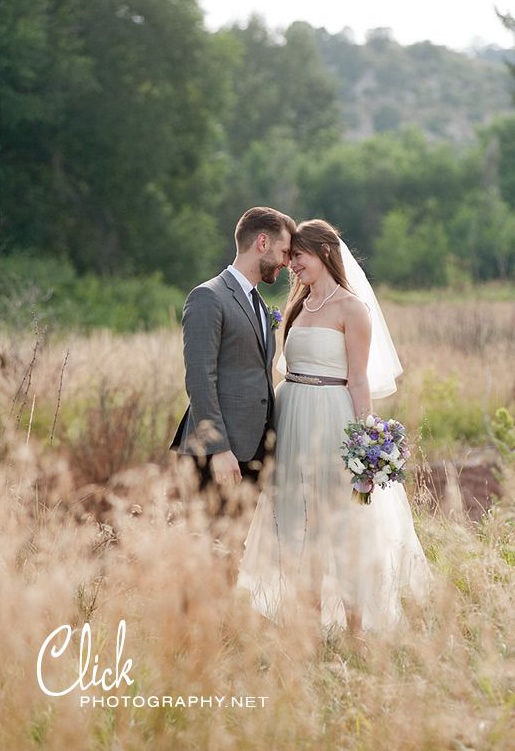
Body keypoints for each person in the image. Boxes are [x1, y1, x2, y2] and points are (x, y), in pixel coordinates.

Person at [237, 219, 430, 635]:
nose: (291, 266)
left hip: (332, 419)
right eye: (289, 259)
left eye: (298, 257)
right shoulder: (297, 307)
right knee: (295, 523)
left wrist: (366, 444)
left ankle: (355, 633)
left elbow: (358, 380)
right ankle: (306, 632)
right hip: (292, 420)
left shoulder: (352, 309)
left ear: (324, 252)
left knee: (340, 527)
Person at [170, 206, 295, 498]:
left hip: (254, 450)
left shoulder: (259, 304)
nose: (287, 263)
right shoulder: (208, 296)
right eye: (284, 252)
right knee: (207, 542)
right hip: (218, 454)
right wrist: (219, 448)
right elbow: (200, 379)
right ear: (262, 243)